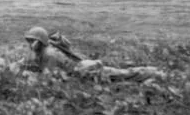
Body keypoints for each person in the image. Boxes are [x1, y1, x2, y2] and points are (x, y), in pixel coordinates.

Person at [23, 27, 162, 81]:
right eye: (29, 41)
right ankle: (152, 72)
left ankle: (154, 72)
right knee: (122, 74)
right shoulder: (41, 51)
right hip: (81, 70)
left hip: (85, 70)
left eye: (33, 41)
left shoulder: (49, 53)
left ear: (40, 41)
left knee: (123, 74)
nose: (30, 44)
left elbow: (49, 77)